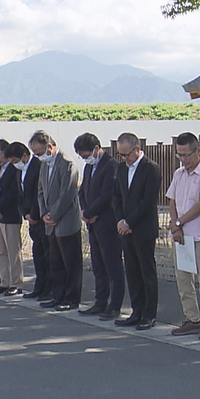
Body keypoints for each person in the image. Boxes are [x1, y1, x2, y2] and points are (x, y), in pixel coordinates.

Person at [167, 133, 200, 339]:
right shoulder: (179, 174)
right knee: (183, 278)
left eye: (186, 155)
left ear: (197, 151)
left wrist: (180, 222)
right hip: (182, 235)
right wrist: (175, 225)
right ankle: (192, 318)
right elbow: (171, 200)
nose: (183, 159)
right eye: (179, 155)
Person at [112, 132, 162, 330]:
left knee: (146, 271)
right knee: (132, 271)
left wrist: (130, 221)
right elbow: (116, 196)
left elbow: (148, 201)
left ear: (137, 149)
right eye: (120, 155)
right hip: (126, 229)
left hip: (143, 228)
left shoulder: (151, 168)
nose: (124, 159)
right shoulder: (122, 169)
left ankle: (149, 314)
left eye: (126, 154)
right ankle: (136, 310)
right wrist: (120, 220)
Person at [32, 130, 84, 312]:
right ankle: (57, 296)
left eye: (39, 153)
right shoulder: (44, 165)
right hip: (50, 223)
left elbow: (68, 193)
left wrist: (54, 215)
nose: (38, 157)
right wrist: (44, 213)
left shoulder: (67, 163)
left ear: (50, 147)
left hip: (66, 221)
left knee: (71, 263)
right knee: (55, 262)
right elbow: (40, 191)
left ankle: (72, 298)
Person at [75, 132, 123, 320]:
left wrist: (91, 212)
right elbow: (82, 190)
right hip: (92, 225)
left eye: (86, 155)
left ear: (96, 149)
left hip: (107, 223)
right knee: (98, 265)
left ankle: (115, 305)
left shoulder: (111, 166)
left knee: (113, 266)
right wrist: (84, 211)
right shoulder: (89, 168)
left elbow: (108, 195)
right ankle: (100, 301)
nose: (85, 159)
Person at [0, 139, 25, 296]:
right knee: (0, 251)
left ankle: (16, 282)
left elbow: (14, 194)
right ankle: (4, 281)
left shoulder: (15, 169)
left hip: (9, 215)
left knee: (13, 250)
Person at [13, 141, 50, 301]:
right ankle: (39, 287)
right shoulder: (19, 171)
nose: (15, 165)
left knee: (48, 255)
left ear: (24, 156)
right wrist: (25, 214)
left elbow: (38, 193)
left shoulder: (38, 166)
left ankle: (49, 288)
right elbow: (19, 195)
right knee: (38, 255)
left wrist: (34, 215)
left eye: (16, 161)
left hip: (40, 218)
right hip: (30, 217)